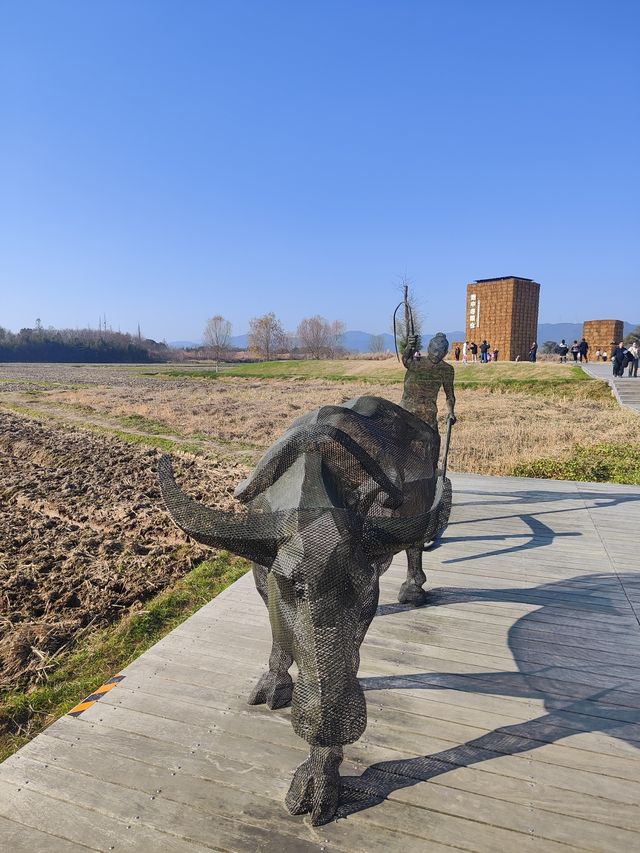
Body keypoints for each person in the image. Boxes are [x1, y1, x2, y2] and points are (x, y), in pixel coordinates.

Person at [401, 333, 456, 431]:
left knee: (431, 442)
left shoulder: (447, 369)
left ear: (446, 353)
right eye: (434, 350)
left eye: (441, 352)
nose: (436, 354)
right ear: (428, 348)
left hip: (428, 414)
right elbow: (405, 359)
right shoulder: (416, 362)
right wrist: (409, 346)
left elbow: (450, 395)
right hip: (407, 410)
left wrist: (451, 412)